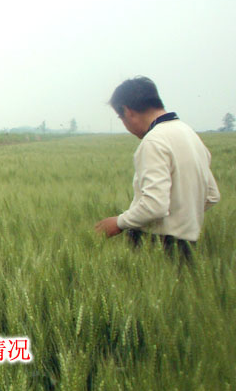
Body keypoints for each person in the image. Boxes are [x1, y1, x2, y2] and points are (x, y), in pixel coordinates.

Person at [94, 77, 221, 259]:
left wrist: (119, 222)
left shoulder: (154, 140)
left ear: (127, 111)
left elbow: (155, 206)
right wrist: (182, 218)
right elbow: (212, 195)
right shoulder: (189, 134)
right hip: (187, 248)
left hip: (155, 245)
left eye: (121, 118)